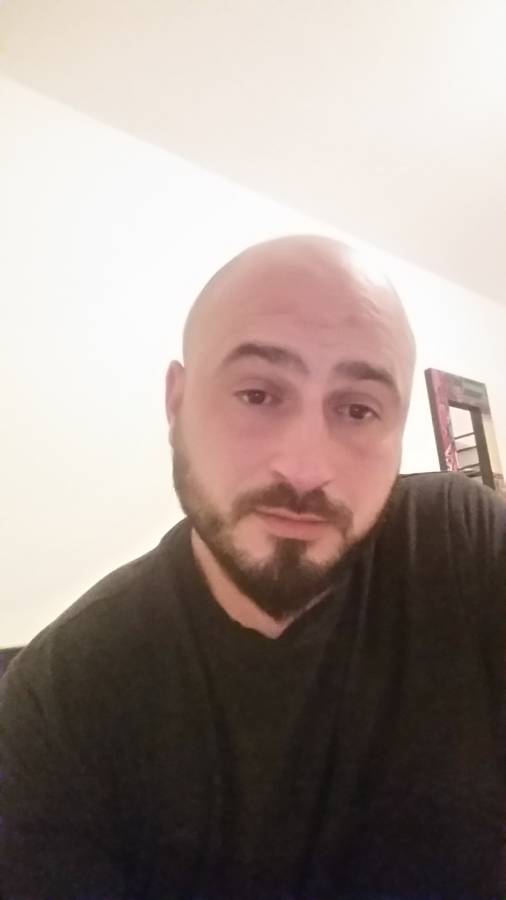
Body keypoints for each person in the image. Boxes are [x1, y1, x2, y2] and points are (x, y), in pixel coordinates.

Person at [0, 235, 505, 900]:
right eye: (259, 394)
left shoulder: (462, 545)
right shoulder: (58, 706)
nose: (306, 468)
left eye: (358, 409)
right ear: (177, 404)